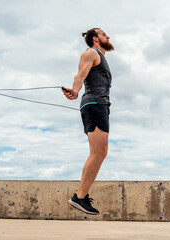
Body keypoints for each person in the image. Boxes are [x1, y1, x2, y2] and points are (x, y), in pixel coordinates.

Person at [63, 28, 114, 215]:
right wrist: (75, 92)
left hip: (99, 105)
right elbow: (80, 75)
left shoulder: (100, 56)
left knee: (98, 152)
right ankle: (80, 197)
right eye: (104, 34)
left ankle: (81, 196)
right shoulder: (91, 52)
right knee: (99, 152)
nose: (108, 36)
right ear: (95, 38)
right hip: (95, 104)